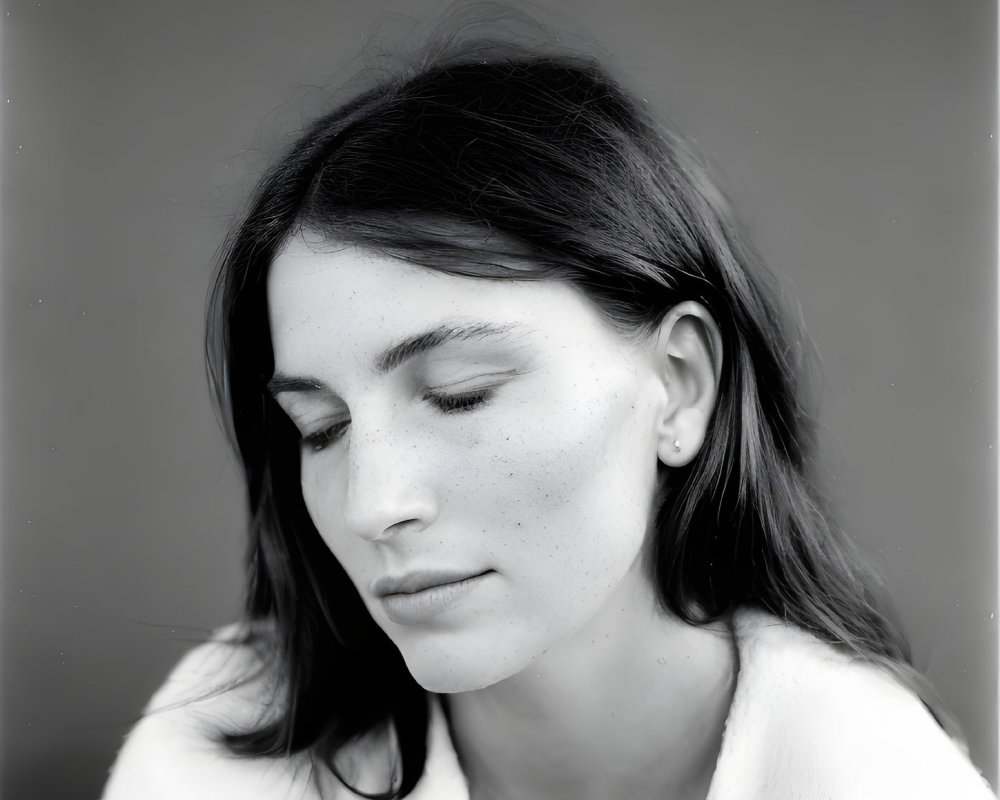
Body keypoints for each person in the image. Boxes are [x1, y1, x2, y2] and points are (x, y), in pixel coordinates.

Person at [102, 27, 994, 800]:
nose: (373, 505)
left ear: (680, 382)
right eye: (321, 428)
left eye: (460, 394)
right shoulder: (217, 755)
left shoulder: (870, 771)